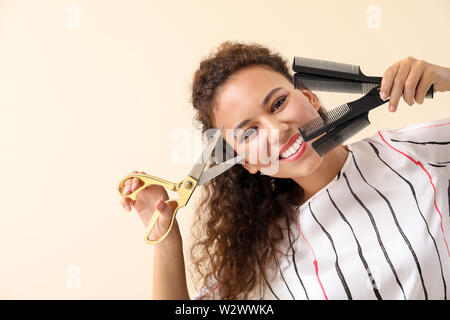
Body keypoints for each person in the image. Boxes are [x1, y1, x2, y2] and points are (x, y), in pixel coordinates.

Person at [120, 41, 450, 300]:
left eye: (278, 103)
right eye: (249, 133)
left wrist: (446, 77)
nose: (276, 129)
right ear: (245, 160)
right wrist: (164, 234)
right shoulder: (258, 258)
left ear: (308, 97)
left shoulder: (419, 151)